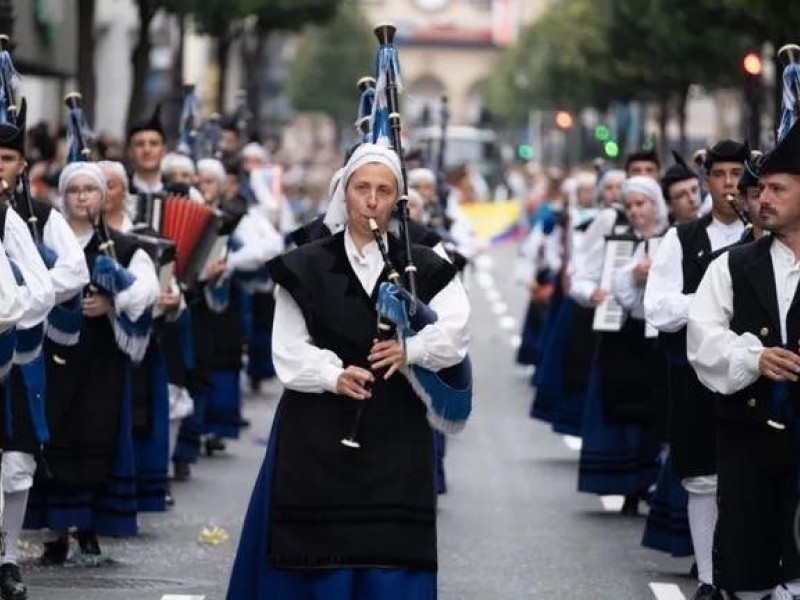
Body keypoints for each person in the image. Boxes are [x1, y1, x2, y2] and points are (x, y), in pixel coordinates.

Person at [227, 142, 470, 599]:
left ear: (397, 199)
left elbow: (456, 333)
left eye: (383, 190)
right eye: (362, 188)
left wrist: (409, 351)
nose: (372, 200)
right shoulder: (305, 263)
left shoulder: (423, 266)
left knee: (390, 551)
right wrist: (332, 375)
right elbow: (288, 348)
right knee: (316, 550)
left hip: (397, 433)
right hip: (317, 433)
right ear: (345, 192)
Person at [686, 121, 800, 599]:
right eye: (763, 189)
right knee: (747, 566)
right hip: (748, 436)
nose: (762, 198)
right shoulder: (732, 265)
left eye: (777, 188)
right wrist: (753, 359)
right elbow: (702, 339)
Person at [25, 162, 160, 565]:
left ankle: (88, 526)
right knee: (55, 436)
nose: (82, 196)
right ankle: (54, 532)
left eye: (91, 189)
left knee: (95, 436)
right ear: (63, 197)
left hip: (101, 360)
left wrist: (112, 298)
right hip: (53, 358)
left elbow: (145, 293)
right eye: (74, 190)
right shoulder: (42, 242)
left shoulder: (122, 246)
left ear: (104, 197)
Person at [643, 139, 748, 600]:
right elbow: (657, 308)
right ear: (707, 180)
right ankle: (708, 576)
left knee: (750, 473)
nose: (730, 184)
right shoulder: (681, 238)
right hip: (695, 374)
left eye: (737, 175)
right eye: (721, 175)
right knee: (703, 477)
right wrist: (708, 306)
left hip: (752, 375)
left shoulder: (762, 238)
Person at [574, 176, 668, 515]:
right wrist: (594, 292)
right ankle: (629, 485)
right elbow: (583, 277)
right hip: (623, 334)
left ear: (656, 205)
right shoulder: (615, 238)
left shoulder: (672, 239)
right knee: (624, 407)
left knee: (656, 410)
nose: (635, 211)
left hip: (659, 337)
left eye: (641, 204)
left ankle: (652, 481)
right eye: (629, 206)